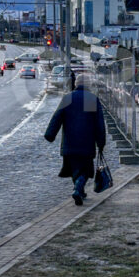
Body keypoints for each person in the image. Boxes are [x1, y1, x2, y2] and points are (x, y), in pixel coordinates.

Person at [44, 75, 106, 206]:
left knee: (74, 169)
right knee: (85, 169)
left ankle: (79, 190)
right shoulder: (91, 99)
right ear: (88, 85)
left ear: (76, 84)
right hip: (87, 143)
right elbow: (99, 124)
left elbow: (57, 117)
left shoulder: (68, 98)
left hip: (70, 142)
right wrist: (101, 142)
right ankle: (78, 189)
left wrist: (50, 134)